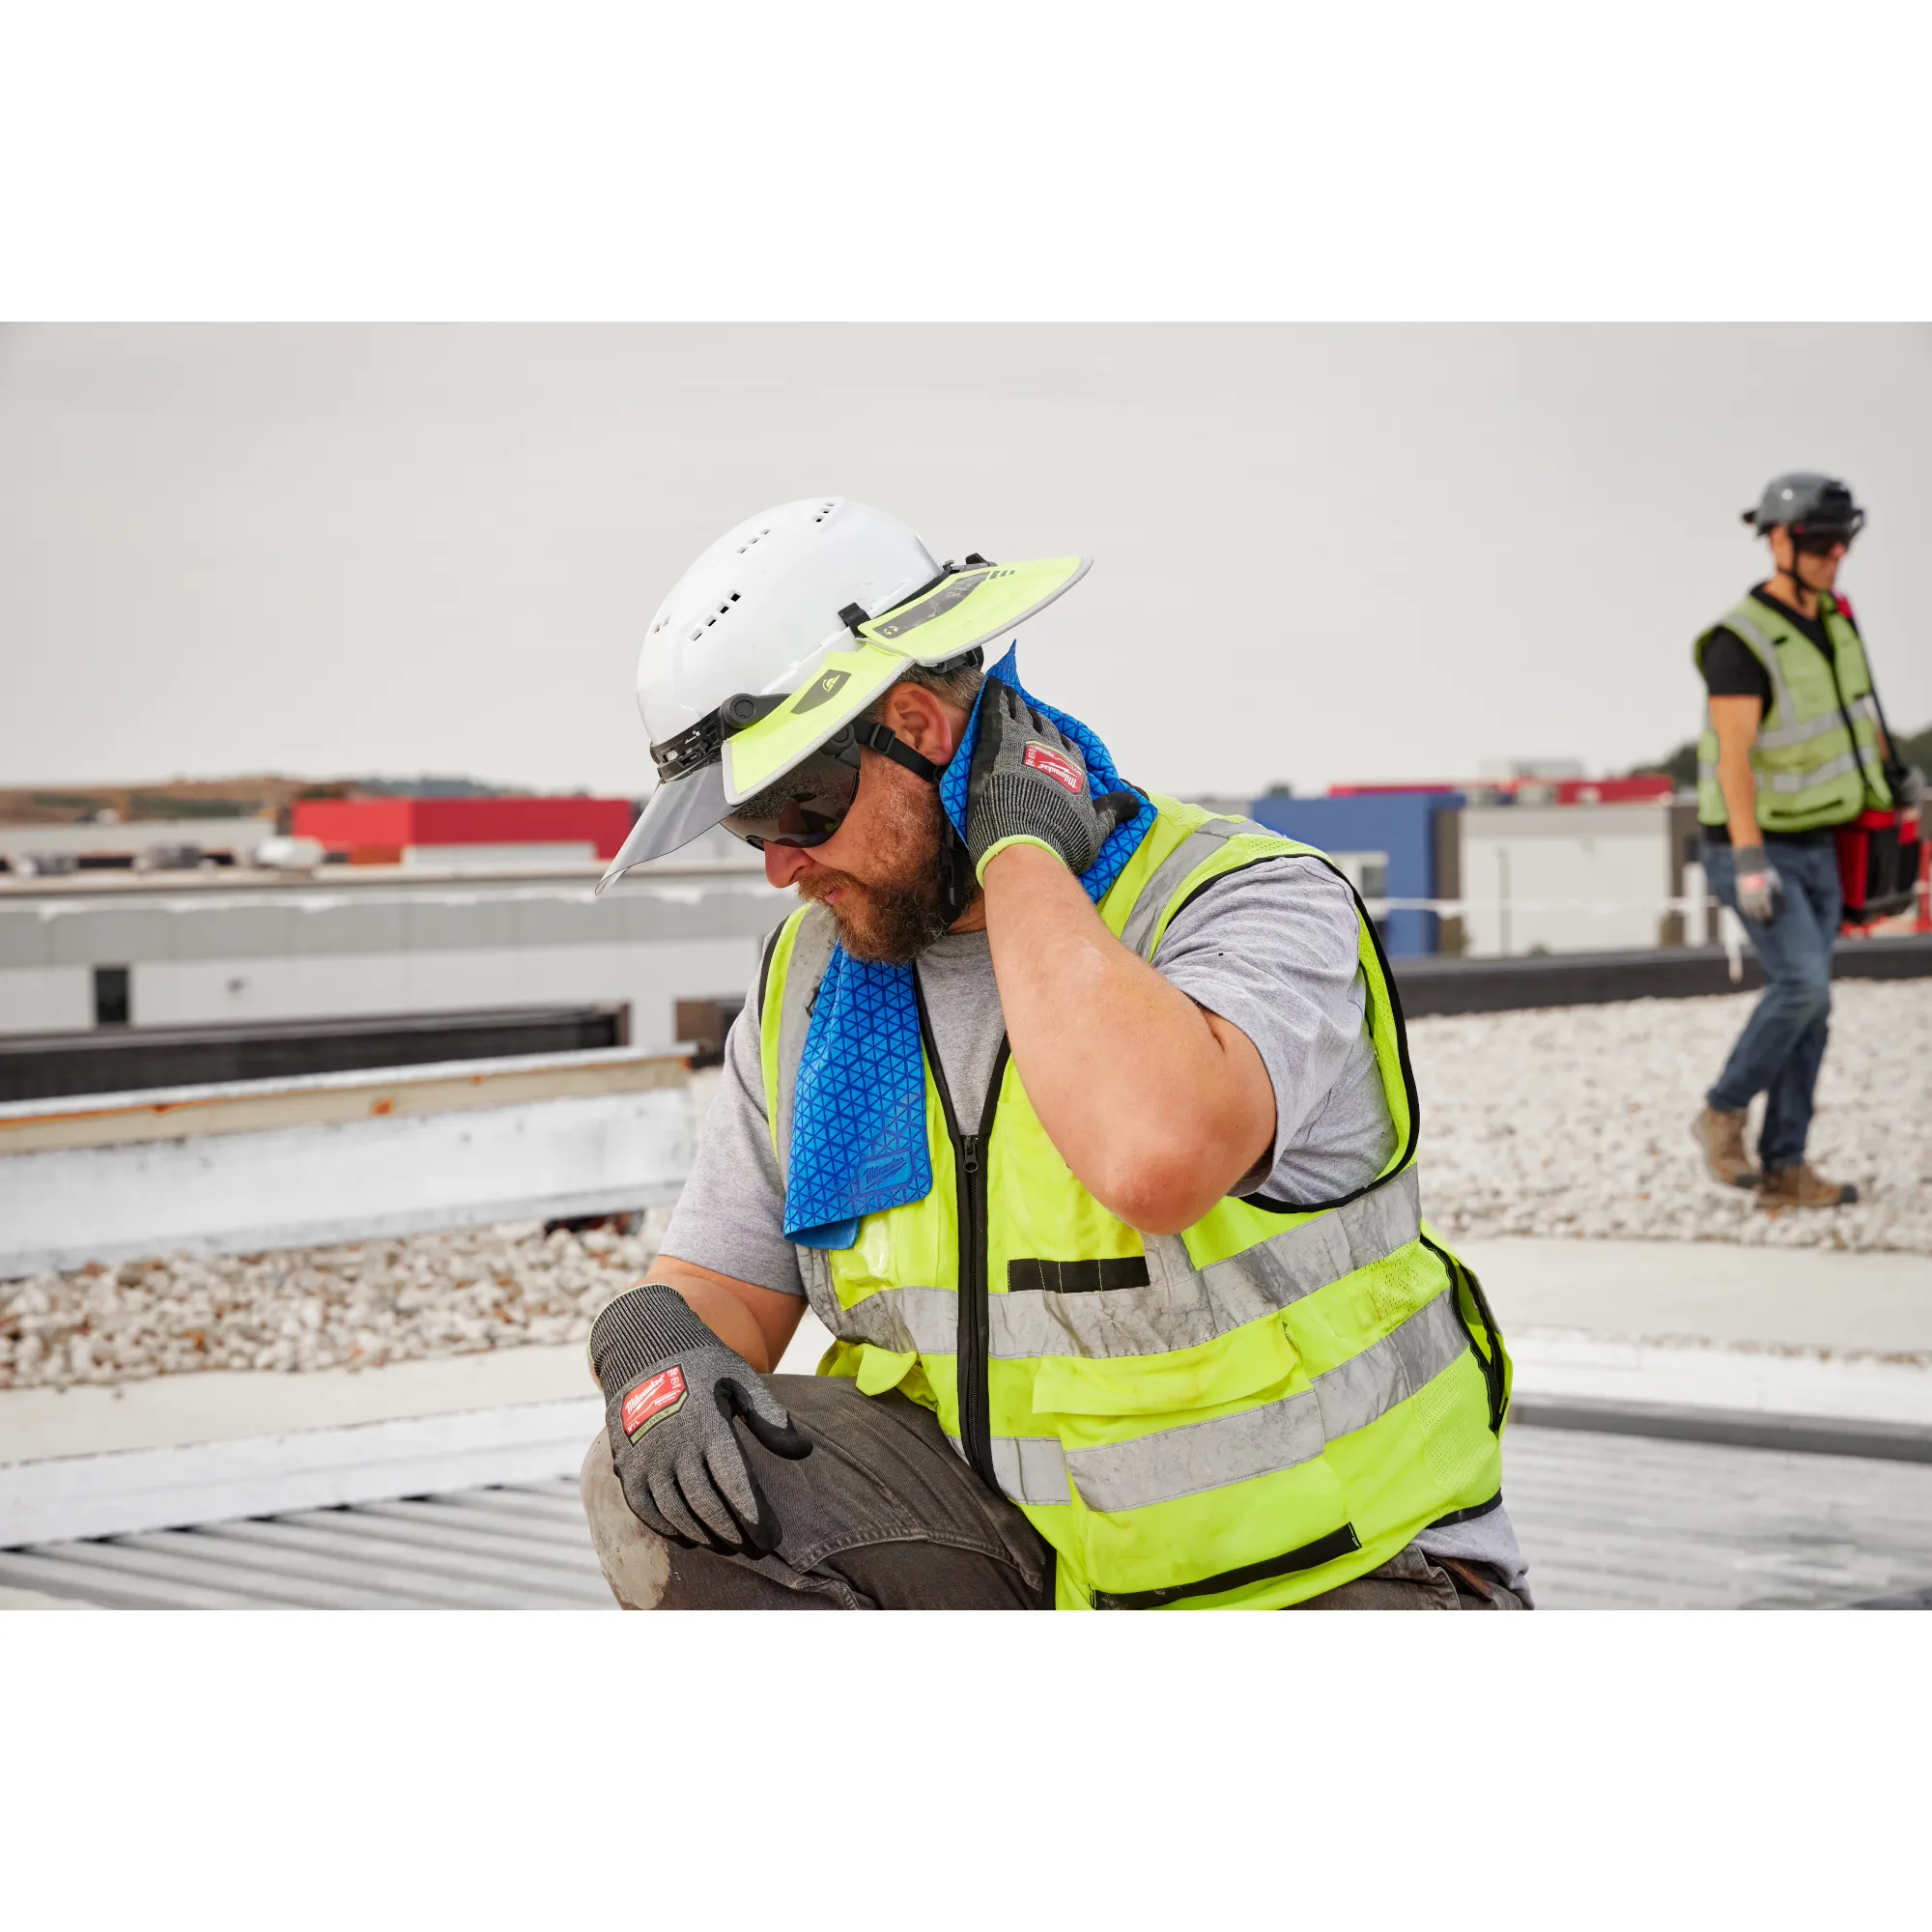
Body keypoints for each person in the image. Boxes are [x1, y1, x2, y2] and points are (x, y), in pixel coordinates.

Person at [580, 497, 1527, 1610]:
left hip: (1339, 1573)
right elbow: (723, 1284)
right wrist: (648, 1342)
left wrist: (1020, 846)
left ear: (922, 732)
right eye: (751, 826)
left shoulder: (1242, 901)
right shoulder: (817, 981)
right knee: (663, 1474)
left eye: (802, 805)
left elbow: (1153, 1156)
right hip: (1037, 1575)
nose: (781, 867)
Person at [1689, 472, 1917, 1208]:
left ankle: (1786, 1170)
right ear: (1778, 541)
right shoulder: (1741, 640)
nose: (1834, 555)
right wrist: (1751, 860)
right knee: (1802, 987)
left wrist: (1891, 782)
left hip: (1823, 842)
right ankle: (1722, 1111)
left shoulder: (1835, 619)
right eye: (1819, 542)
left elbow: (1854, 719)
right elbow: (1733, 758)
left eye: (1843, 540)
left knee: (1815, 1008)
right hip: (1754, 848)